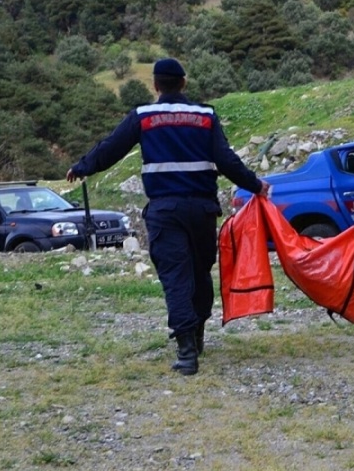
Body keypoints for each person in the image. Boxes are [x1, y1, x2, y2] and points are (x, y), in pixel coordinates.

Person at [67, 58, 269, 376]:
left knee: (176, 279)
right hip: (202, 210)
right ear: (183, 83)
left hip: (165, 212)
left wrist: (82, 167)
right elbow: (226, 160)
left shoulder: (143, 116)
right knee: (200, 274)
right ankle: (197, 334)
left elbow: (111, 148)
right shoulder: (205, 115)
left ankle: (187, 353)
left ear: (156, 85)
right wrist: (256, 185)